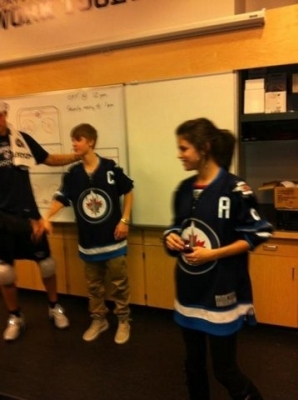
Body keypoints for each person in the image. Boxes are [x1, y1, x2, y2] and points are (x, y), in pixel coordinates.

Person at [163, 118, 273, 400]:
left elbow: (257, 234)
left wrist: (214, 253)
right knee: (193, 365)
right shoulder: (184, 189)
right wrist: (170, 238)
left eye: (184, 148)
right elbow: (177, 226)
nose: (179, 154)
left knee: (225, 370)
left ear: (204, 148)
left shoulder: (236, 189)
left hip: (221, 291)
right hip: (189, 291)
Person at [44, 123, 134, 344]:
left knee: (119, 283)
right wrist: (46, 217)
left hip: (113, 241)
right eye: (73, 139)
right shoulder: (73, 174)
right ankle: (99, 319)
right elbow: (61, 199)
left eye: (78, 139)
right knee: (94, 287)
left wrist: (124, 220)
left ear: (91, 142)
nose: (73, 143)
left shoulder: (111, 169)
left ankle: (123, 320)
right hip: (89, 243)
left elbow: (129, 190)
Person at [0, 100, 81, 341]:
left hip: (30, 214)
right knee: (4, 272)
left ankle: (54, 307)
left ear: (5, 114)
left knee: (47, 265)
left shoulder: (20, 139)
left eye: (0, 115)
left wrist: (76, 157)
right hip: (2, 220)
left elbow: (48, 158)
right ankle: (15, 316)